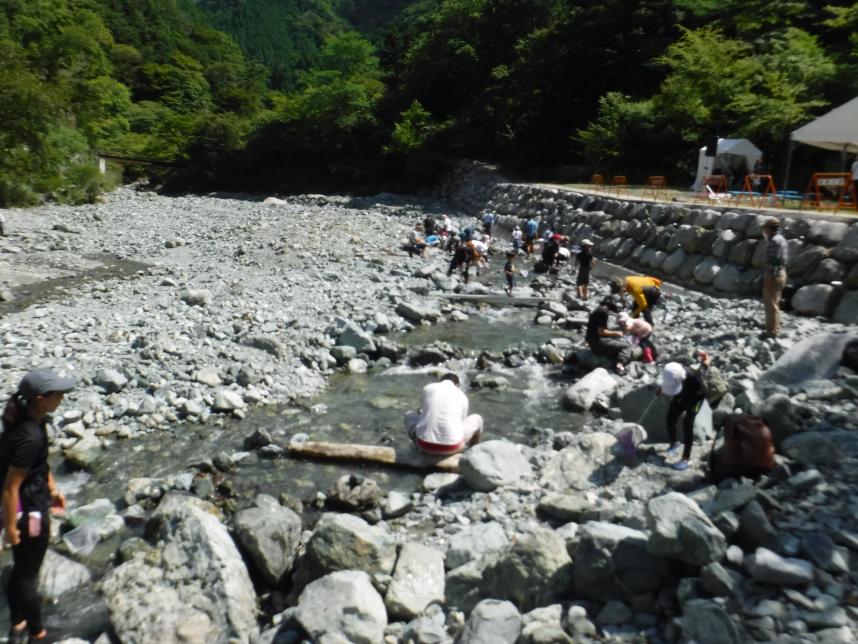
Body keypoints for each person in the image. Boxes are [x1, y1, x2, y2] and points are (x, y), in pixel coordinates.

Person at [2, 368, 75, 643]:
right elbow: (11, 487)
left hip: (25, 504)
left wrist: (53, 487)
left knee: (20, 566)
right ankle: (38, 633)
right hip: (28, 512)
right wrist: (10, 527)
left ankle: (18, 623)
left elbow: (37, 466)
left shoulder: (23, 417)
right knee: (27, 573)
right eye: (59, 394)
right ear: (41, 399)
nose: (63, 398)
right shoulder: (30, 437)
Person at [405, 373, 483, 455]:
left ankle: (416, 444)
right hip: (452, 447)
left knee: (409, 414)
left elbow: (423, 411)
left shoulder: (428, 388)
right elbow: (461, 422)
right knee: (478, 418)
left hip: (423, 445)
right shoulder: (462, 396)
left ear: (440, 381)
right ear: (457, 385)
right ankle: (472, 452)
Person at [657, 352, 710, 471]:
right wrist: (662, 388)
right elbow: (667, 381)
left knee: (687, 424)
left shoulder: (696, 375)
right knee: (670, 418)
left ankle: (686, 458)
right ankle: (674, 442)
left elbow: (706, 362)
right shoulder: (671, 371)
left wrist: (705, 355)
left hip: (696, 399)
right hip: (681, 395)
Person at [585, 297, 634, 375]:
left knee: (616, 343)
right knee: (626, 346)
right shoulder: (603, 312)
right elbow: (600, 331)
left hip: (592, 341)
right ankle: (619, 366)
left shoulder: (599, 309)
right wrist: (616, 333)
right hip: (597, 342)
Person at [761, 218, 788, 337]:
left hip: (774, 274)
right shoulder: (781, 239)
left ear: (768, 229)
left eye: (764, 229)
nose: (764, 231)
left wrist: (769, 278)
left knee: (770, 303)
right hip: (781, 273)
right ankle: (775, 328)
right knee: (775, 302)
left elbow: (773, 261)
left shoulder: (774, 241)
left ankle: (772, 331)